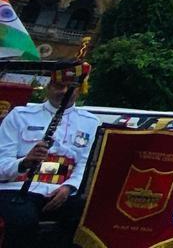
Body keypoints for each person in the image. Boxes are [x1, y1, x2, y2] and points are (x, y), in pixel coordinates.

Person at [0, 59, 98, 248]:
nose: (63, 91)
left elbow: (84, 164)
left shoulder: (90, 122)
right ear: (49, 86)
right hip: (18, 188)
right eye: (59, 86)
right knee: (23, 220)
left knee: (86, 218)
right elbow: (1, 163)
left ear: (79, 90)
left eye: (70, 87)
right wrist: (25, 162)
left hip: (62, 191)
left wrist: (69, 187)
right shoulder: (20, 115)